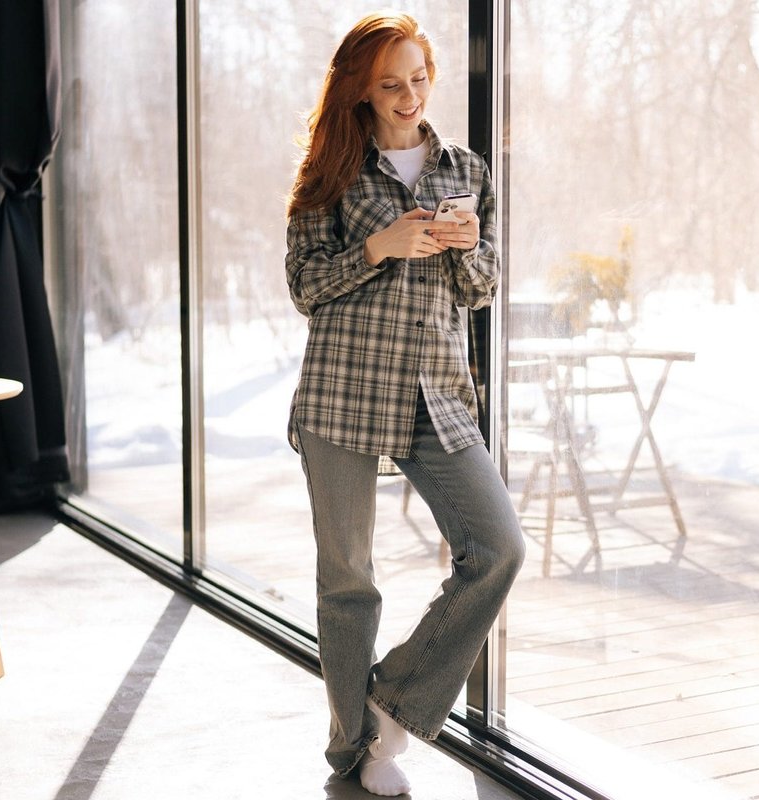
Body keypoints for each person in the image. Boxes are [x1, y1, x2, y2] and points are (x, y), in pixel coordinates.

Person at [284, 11, 525, 797]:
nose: (409, 94)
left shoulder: (466, 169)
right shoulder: (331, 172)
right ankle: (355, 752)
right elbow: (306, 286)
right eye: (391, 83)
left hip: (437, 392)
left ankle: (396, 703)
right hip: (343, 391)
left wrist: (467, 250)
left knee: (498, 549)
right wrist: (377, 248)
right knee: (348, 580)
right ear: (360, 88)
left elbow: (482, 288)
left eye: (419, 77)